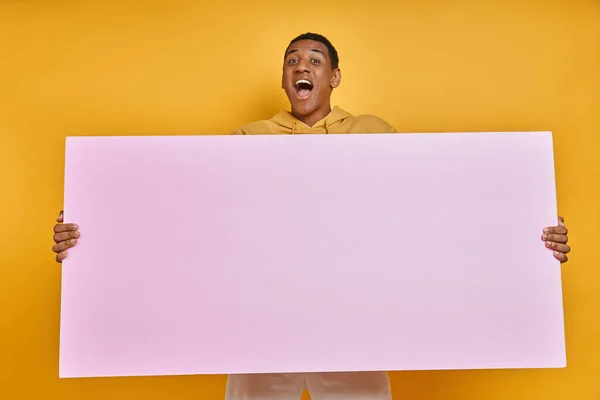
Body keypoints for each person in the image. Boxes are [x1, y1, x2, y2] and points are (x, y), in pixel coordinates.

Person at [52, 33, 571, 400]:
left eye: (315, 59)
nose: (302, 66)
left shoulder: (374, 132)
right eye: (292, 60)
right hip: (258, 324)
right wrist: (92, 234)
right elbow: (192, 222)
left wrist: (528, 238)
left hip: (354, 324)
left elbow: (429, 214)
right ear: (284, 79)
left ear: (334, 76)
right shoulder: (245, 138)